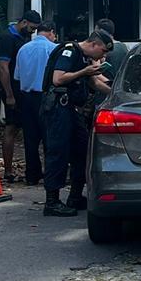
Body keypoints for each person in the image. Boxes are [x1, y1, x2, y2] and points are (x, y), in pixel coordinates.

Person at [39, 29, 113, 217]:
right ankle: (52, 201)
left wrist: (116, 94)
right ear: (94, 44)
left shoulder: (83, 58)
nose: (103, 56)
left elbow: (95, 83)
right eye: (103, 51)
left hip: (71, 110)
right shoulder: (70, 51)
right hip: (58, 108)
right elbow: (57, 79)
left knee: (83, 150)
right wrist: (84, 71)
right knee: (58, 151)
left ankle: (75, 196)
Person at [0, 9, 40, 183]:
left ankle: (32, 170)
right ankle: (7, 171)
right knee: (11, 127)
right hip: (12, 89)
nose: (33, 31)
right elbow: (3, 67)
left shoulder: (24, 38)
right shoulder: (7, 37)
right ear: (23, 22)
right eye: (31, 28)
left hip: (24, 89)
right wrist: (9, 95)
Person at [13, 21, 58, 185]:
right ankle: (51, 175)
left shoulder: (23, 49)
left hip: (26, 97)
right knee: (49, 138)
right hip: (45, 97)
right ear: (51, 32)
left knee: (30, 139)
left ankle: (32, 174)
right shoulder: (52, 49)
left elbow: (17, 76)